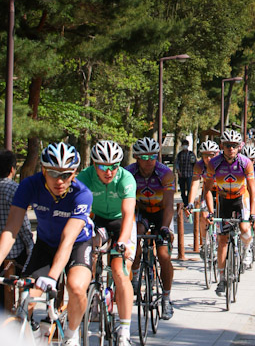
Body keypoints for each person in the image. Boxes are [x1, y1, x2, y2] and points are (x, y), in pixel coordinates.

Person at [0, 142, 93, 346]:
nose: (60, 180)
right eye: (53, 173)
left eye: (67, 174)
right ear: (43, 170)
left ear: (75, 173)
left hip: (77, 244)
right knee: (27, 298)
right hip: (46, 244)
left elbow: (68, 239)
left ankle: (71, 334)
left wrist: (52, 277)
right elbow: (11, 229)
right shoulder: (29, 185)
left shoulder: (82, 193)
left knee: (76, 287)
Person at [76, 140, 136, 346]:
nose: (108, 172)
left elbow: (129, 214)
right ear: (94, 164)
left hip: (122, 222)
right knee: (88, 252)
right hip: (98, 219)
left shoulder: (126, 178)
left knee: (120, 271)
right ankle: (93, 293)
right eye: (102, 167)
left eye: (113, 167)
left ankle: (125, 331)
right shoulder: (84, 177)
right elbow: (79, 211)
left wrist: (122, 243)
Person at [126, 136, 175, 320]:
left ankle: (166, 298)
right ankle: (136, 277)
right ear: (137, 158)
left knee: (163, 254)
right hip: (142, 212)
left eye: (153, 156)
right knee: (135, 236)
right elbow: (126, 203)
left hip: (162, 212)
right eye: (144, 157)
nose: (149, 161)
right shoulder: (128, 173)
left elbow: (170, 204)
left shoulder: (165, 173)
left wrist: (164, 228)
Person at [203, 129, 255, 295]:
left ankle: (247, 249)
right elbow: (206, 190)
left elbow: (252, 190)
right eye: (227, 145)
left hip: (241, 199)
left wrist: (253, 214)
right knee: (223, 240)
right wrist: (211, 212)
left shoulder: (245, 163)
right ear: (222, 146)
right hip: (224, 201)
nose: (231, 149)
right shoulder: (214, 163)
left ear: (239, 146)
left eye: (234, 145)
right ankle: (222, 278)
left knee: (245, 229)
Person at [0, 149, 34, 308]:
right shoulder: (14, 189)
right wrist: (30, 246)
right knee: (27, 281)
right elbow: (23, 225)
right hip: (15, 250)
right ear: (12, 169)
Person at [184, 139, 219, 258]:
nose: (208, 158)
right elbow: (194, 184)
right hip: (207, 191)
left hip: (222, 191)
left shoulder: (221, 163)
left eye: (211, 155)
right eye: (205, 155)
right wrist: (190, 203)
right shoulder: (199, 165)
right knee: (204, 215)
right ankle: (204, 243)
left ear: (216, 154)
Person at [175, 139, 196, 207]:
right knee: (182, 191)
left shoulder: (191, 154)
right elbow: (176, 164)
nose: (185, 146)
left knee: (190, 189)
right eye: (184, 145)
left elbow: (195, 163)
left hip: (190, 174)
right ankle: (185, 203)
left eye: (186, 145)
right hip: (182, 175)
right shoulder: (179, 154)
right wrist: (178, 172)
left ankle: (189, 202)